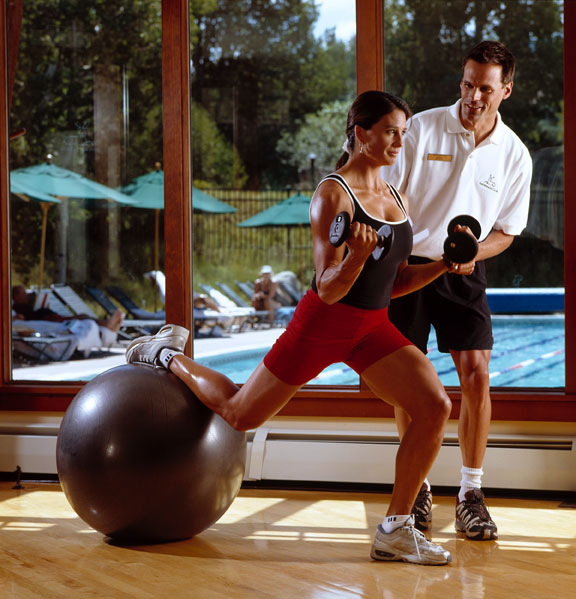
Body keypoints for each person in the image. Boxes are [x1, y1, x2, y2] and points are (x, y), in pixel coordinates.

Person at [125, 91, 470, 565]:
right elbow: (327, 288)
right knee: (240, 413)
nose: (399, 141)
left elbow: (395, 283)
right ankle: (165, 353)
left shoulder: (396, 196)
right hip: (323, 323)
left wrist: (444, 266)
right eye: (391, 131)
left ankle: (395, 528)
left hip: (372, 327)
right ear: (361, 133)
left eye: (403, 133)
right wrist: (356, 257)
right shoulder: (333, 194)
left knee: (434, 406)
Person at [381, 41, 532, 541]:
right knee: (411, 381)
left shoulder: (514, 154)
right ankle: (418, 487)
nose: (473, 96)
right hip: (409, 267)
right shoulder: (422, 129)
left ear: (506, 90)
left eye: (485, 88)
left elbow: (507, 232)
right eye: (468, 84)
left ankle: (471, 493)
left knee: (477, 375)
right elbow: (387, 198)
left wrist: (473, 254)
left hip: (465, 271)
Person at [12, 285, 124, 355]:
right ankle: (107, 324)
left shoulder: (27, 305)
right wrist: (18, 317)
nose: (27, 295)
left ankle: (108, 325)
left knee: (83, 317)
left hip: (48, 316)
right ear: (16, 297)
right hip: (48, 319)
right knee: (83, 317)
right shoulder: (18, 307)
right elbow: (21, 319)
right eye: (23, 293)